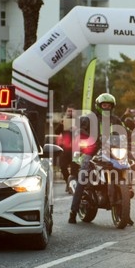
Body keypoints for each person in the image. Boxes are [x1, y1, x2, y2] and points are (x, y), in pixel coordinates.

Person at [68, 93, 126, 224]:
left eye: (109, 105)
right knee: (83, 176)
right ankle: (73, 211)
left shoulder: (116, 120)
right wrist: (89, 137)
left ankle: (124, 212)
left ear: (112, 106)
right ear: (99, 106)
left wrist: (134, 140)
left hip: (111, 151)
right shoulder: (89, 118)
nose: (106, 107)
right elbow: (78, 130)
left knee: (124, 165)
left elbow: (126, 130)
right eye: (104, 105)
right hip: (92, 151)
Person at [55, 104, 76, 192]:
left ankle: (72, 185)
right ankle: (68, 182)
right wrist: (61, 124)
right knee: (63, 166)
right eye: (68, 111)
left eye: (71, 111)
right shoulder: (64, 121)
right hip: (65, 148)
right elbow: (56, 132)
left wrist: (76, 129)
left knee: (74, 168)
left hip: (76, 148)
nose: (69, 113)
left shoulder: (79, 121)